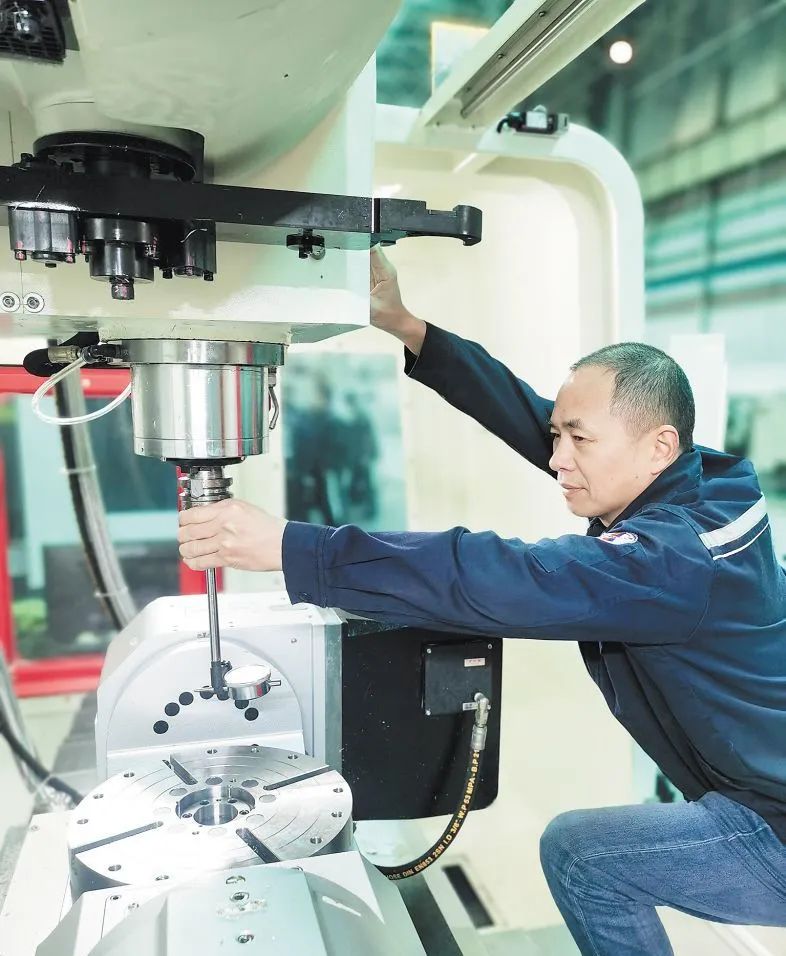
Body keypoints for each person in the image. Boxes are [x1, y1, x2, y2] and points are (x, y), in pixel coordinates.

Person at [178, 247, 786, 955]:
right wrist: (406, 326)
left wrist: (295, 548)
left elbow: (500, 576)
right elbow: (532, 416)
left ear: (658, 445)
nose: (557, 457)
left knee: (581, 855)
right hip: (755, 782)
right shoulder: (703, 482)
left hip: (772, 824)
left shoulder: (670, 562)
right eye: (558, 436)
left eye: (578, 440)